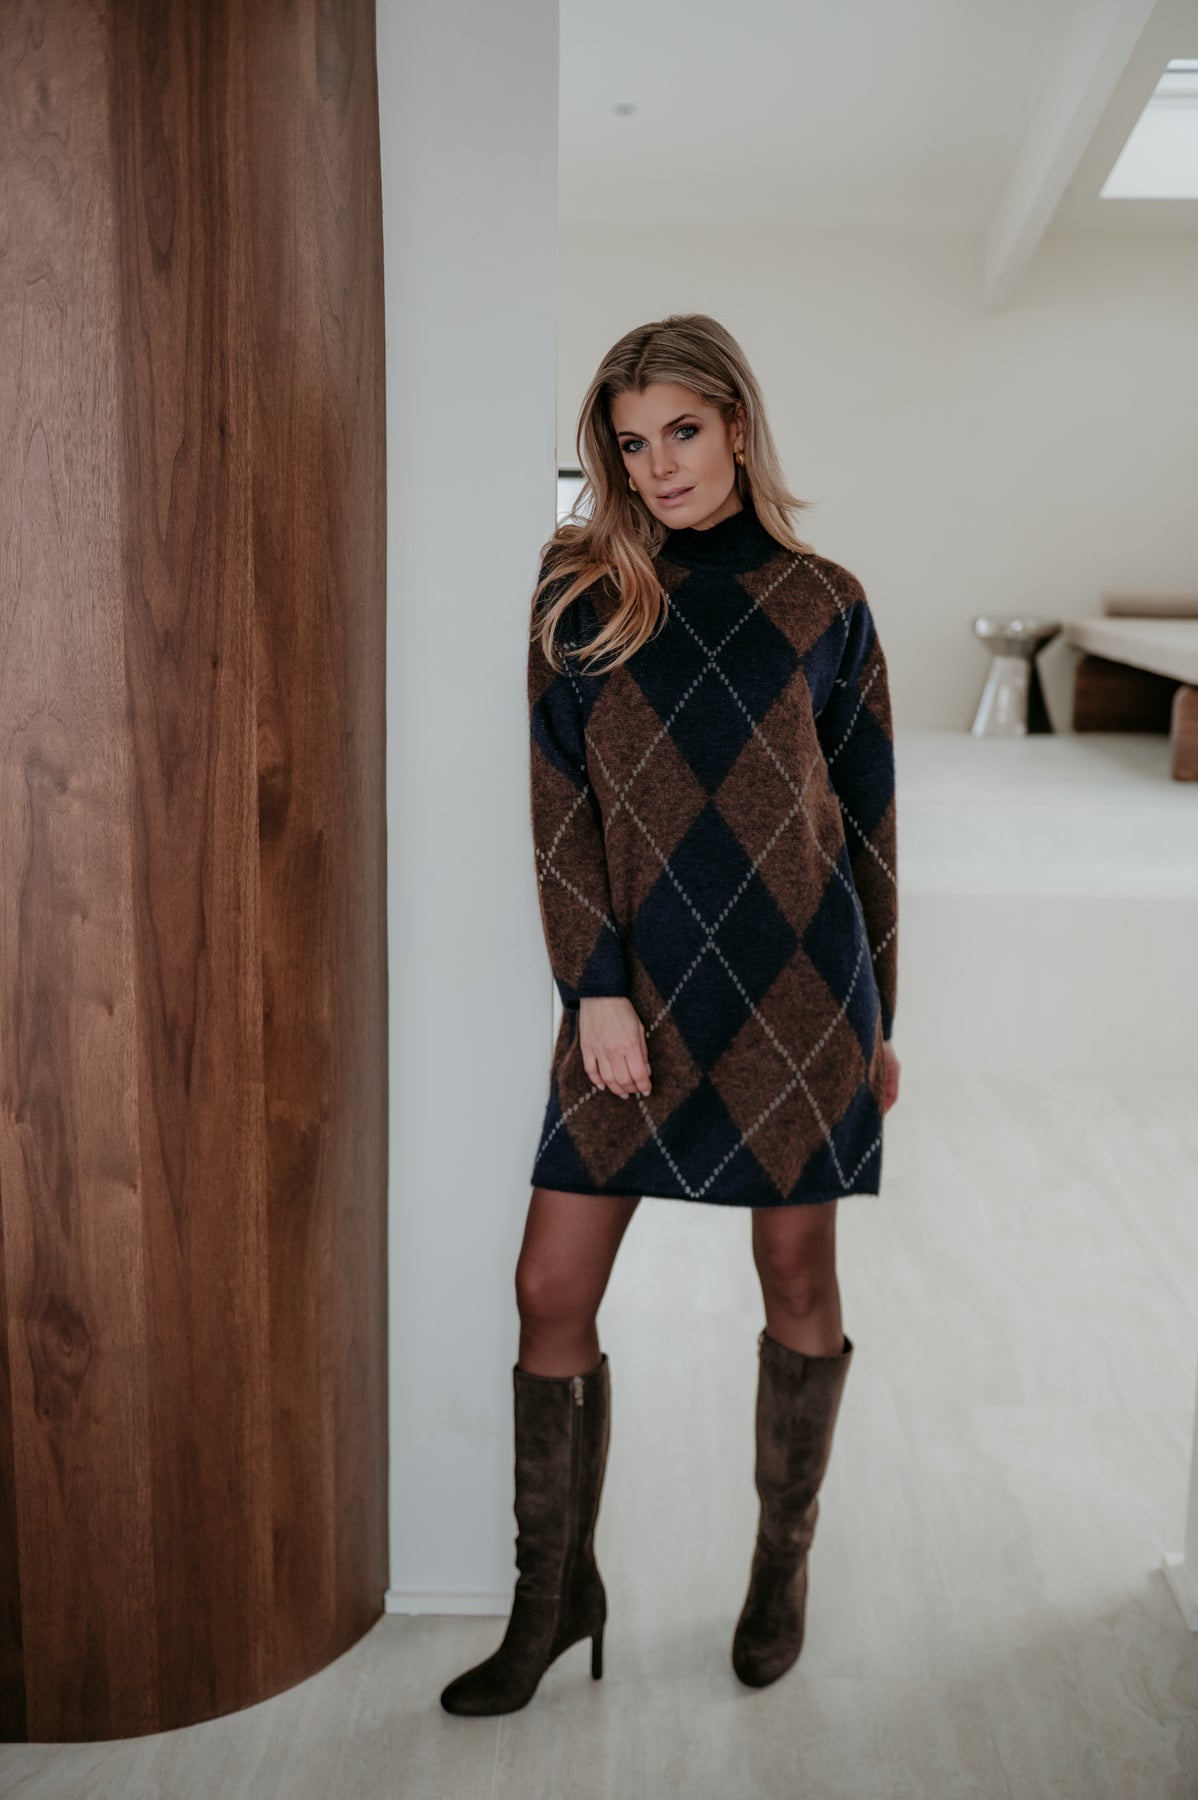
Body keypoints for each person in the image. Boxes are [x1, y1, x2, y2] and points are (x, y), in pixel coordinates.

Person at [440, 313, 900, 1716]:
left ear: (737, 428)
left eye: (682, 433)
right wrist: (593, 985)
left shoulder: (825, 602)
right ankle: (553, 1596)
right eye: (631, 445)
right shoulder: (579, 594)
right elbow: (560, 810)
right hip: (632, 998)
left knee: (797, 1284)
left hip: (801, 992)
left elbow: (867, 826)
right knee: (548, 1290)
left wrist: (881, 1023)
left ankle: (779, 1571)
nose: (658, 467)